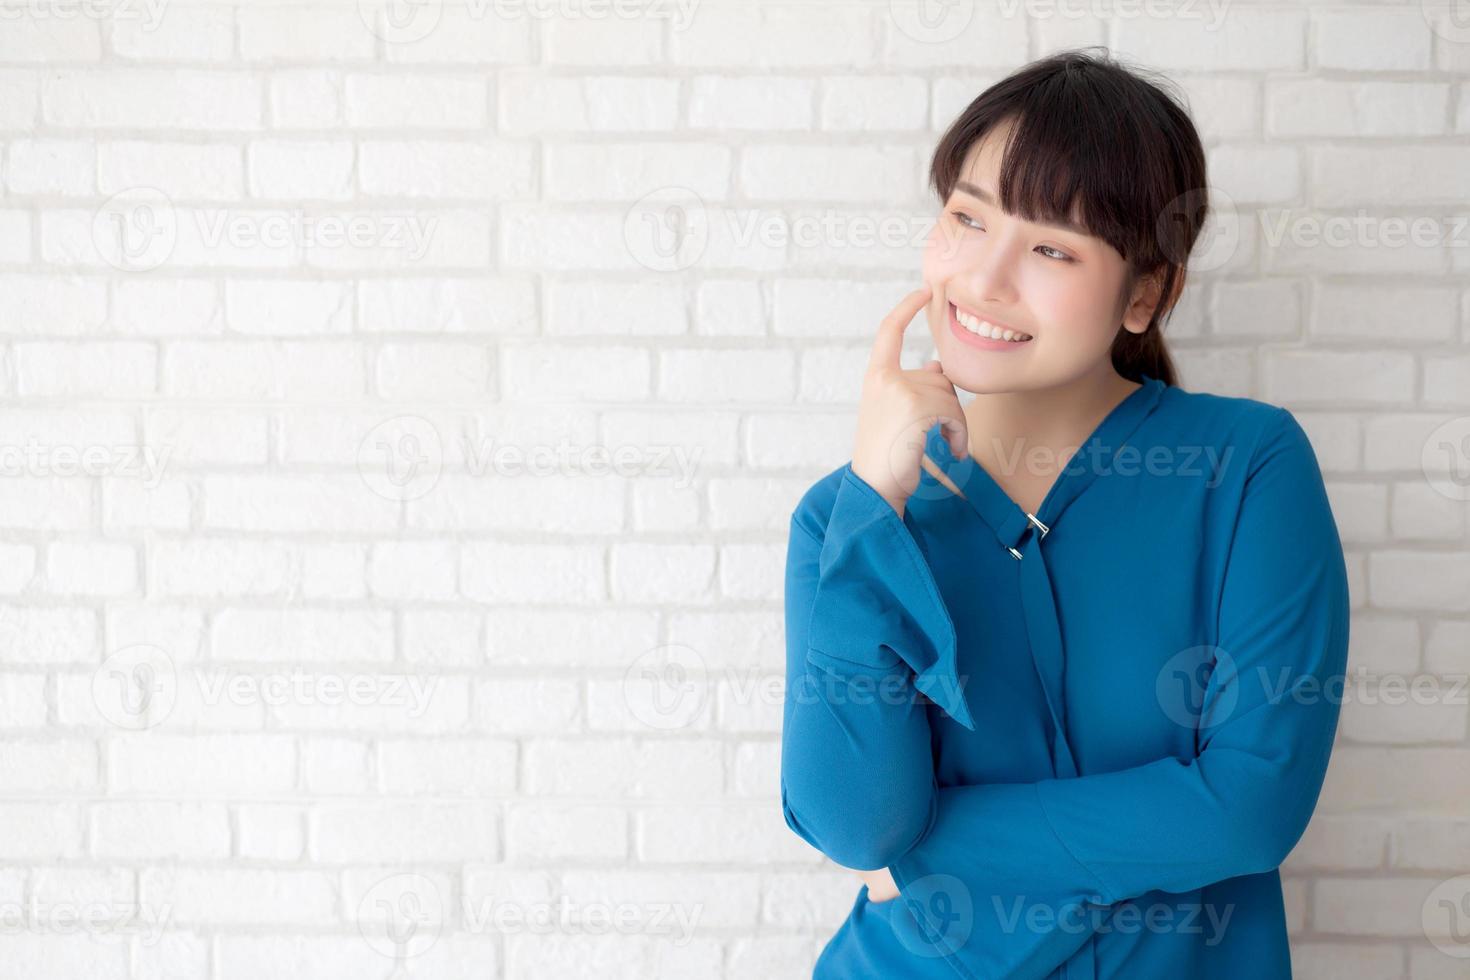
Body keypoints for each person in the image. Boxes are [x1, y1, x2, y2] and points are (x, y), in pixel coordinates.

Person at [780, 48, 1350, 980]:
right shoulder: (844, 517)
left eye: (1051, 247)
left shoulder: (1245, 468)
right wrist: (874, 506)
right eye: (967, 217)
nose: (986, 279)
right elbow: (856, 824)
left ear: (1147, 293)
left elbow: (1251, 807)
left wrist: (930, 852)